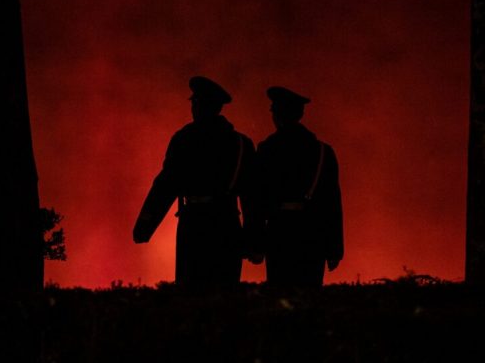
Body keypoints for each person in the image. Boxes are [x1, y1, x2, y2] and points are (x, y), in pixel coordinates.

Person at [133, 76, 259, 287]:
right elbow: (252, 197)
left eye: (195, 103)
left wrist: (145, 225)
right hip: (226, 224)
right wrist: (253, 241)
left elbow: (165, 186)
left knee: (191, 292)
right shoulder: (240, 143)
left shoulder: (184, 139)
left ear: (201, 105)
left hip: (193, 225)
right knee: (225, 294)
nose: (193, 107)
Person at [256, 86, 343, 286]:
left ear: (276, 115)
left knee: (279, 293)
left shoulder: (267, 149)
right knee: (310, 296)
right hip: (313, 232)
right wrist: (334, 248)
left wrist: (257, 243)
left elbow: (258, 198)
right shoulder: (323, 151)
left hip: (279, 231)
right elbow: (332, 202)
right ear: (300, 114)